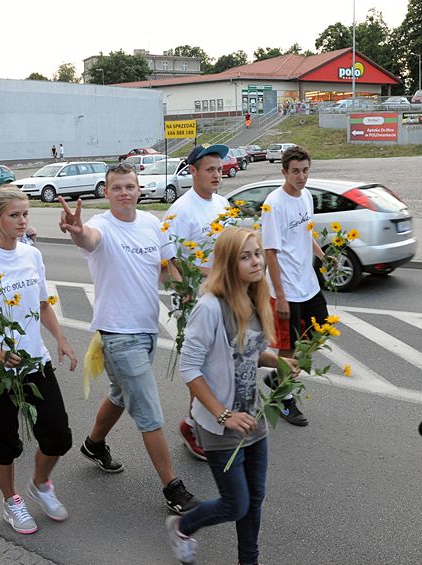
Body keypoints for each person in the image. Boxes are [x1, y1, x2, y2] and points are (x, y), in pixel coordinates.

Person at [58, 162, 200, 514]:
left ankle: (94, 444)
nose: (124, 192)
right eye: (116, 187)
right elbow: (87, 239)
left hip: (148, 329)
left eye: (130, 186)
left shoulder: (152, 223)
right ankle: (172, 488)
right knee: (150, 412)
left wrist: (184, 290)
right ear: (105, 193)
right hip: (119, 335)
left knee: (120, 394)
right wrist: (76, 230)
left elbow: (168, 267)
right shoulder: (100, 227)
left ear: (139, 190)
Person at [167, 227, 293, 565]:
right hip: (219, 424)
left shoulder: (254, 299)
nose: (256, 262)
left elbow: (250, 353)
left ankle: (248, 561)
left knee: (255, 499)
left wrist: (278, 360)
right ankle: (183, 524)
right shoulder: (209, 308)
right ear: (227, 262)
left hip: (253, 418)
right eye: (246, 256)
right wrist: (224, 414)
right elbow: (189, 369)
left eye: (257, 254)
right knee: (234, 503)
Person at [0, 186, 77, 535]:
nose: (23, 221)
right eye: (15, 215)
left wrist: (61, 338)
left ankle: (40, 485)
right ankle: (12, 501)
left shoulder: (31, 255)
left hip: (35, 363)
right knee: (6, 443)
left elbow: (43, 303)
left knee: (58, 436)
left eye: (25, 214)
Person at [164, 144, 231, 461]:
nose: (217, 175)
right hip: (196, 298)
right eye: (210, 169)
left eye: (219, 168)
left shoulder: (223, 203)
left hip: (225, 295)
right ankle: (192, 425)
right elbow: (168, 260)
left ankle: (202, 420)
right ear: (192, 171)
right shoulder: (180, 210)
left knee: (220, 365)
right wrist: (185, 294)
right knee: (200, 366)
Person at [260, 145, 326, 426]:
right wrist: (282, 297)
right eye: (295, 171)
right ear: (284, 171)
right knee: (287, 349)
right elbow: (270, 252)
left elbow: (306, 232)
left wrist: (324, 257)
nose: (301, 176)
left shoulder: (306, 196)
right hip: (285, 288)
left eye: (305, 170)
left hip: (308, 284)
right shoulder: (274, 204)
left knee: (319, 334)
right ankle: (284, 400)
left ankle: (277, 376)